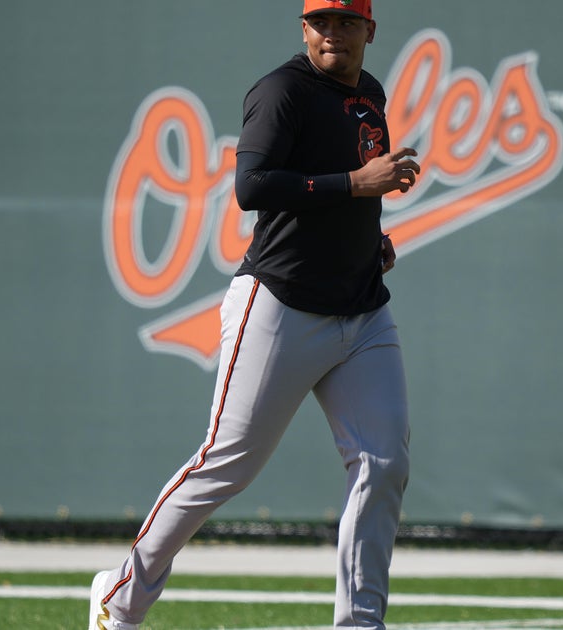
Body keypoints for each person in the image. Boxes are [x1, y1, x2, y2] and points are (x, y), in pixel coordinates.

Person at [89, 1, 420, 627]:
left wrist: (367, 235)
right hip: (281, 305)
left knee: (384, 464)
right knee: (226, 463)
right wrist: (354, 185)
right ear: (304, 27)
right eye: (322, 21)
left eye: (347, 22)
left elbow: (352, 190)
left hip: (362, 309)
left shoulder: (369, 91)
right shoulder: (282, 90)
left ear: (369, 31)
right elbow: (254, 186)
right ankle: (120, 594)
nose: (333, 33)